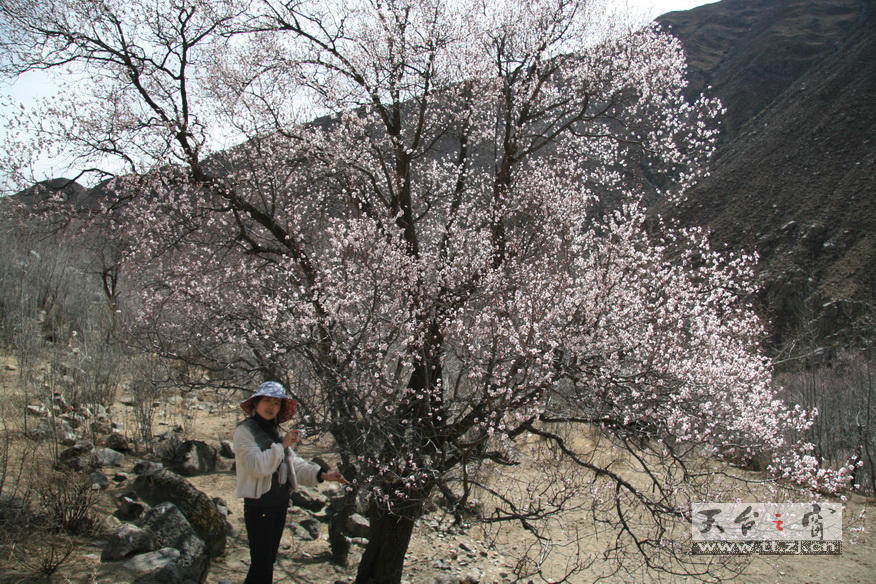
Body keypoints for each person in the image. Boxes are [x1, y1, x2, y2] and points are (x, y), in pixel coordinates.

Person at [233, 381, 347, 584]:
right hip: (259, 505)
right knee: (261, 564)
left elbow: (293, 463)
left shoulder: (274, 431)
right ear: (256, 403)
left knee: (267, 561)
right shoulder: (245, 431)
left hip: (279, 504)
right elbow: (256, 466)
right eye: (267, 401)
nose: (271, 407)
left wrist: (322, 474)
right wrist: (282, 445)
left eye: (276, 403)